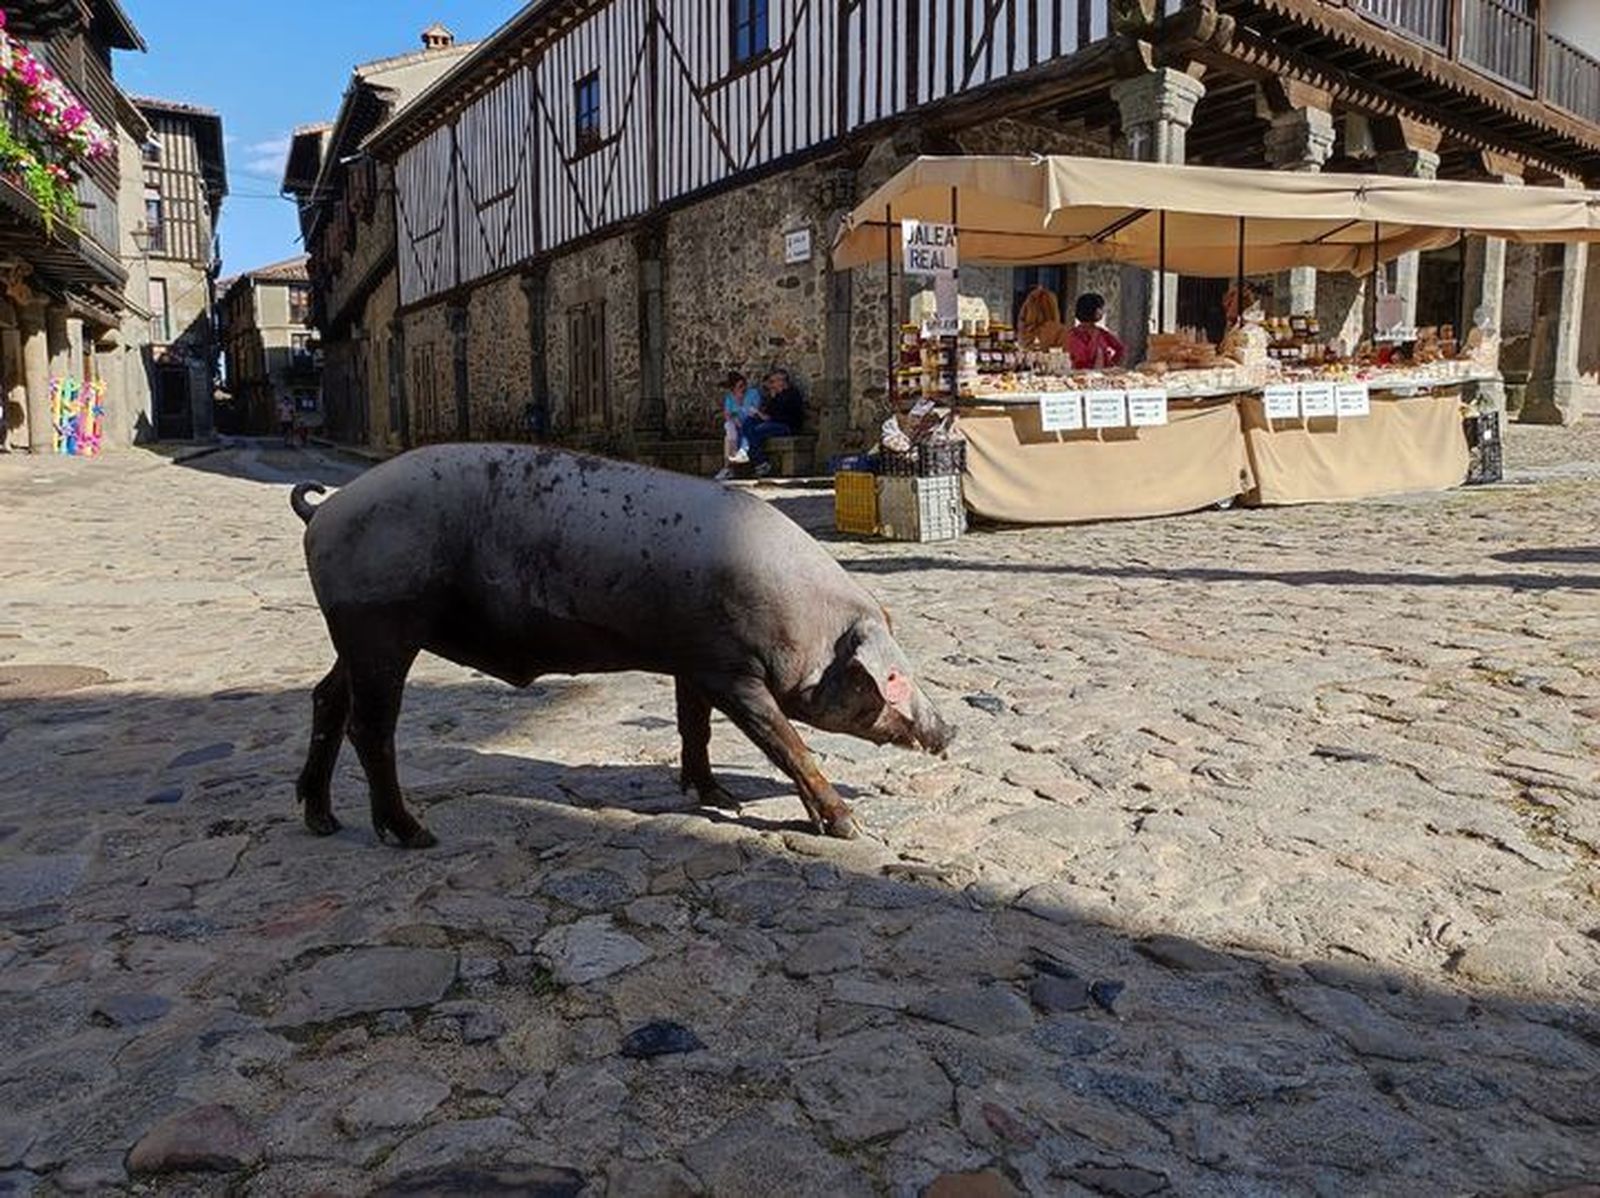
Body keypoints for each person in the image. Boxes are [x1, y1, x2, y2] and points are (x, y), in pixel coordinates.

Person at [738, 369, 804, 478]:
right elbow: (769, 412)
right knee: (747, 423)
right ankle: (758, 461)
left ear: (782, 381)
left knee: (757, 431)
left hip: (787, 427)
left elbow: (784, 416)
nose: (772, 384)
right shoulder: (777, 395)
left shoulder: (792, 394)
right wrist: (764, 410)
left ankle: (759, 462)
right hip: (773, 422)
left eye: (773, 381)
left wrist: (766, 416)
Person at [1065, 293, 1126, 370]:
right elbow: (1121, 349)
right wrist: (1110, 366)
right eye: (1101, 308)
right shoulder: (1100, 334)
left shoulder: (1071, 334)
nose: (1103, 311)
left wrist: (1110, 367)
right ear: (1097, 311)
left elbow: (1120, 349)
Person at [718, 370, 760, 471]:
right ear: (733, 388)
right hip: (735, 424)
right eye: (739, 386)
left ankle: (728, 466)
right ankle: (730, 465)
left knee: (729, 438)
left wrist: (740, 402)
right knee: (729, 427)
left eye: (744, 384)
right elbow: (727, 415)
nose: (743, 388)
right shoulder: (730, 397)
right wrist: (735, 418)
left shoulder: (753, 393)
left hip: (749, 422)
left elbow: (754, 411)